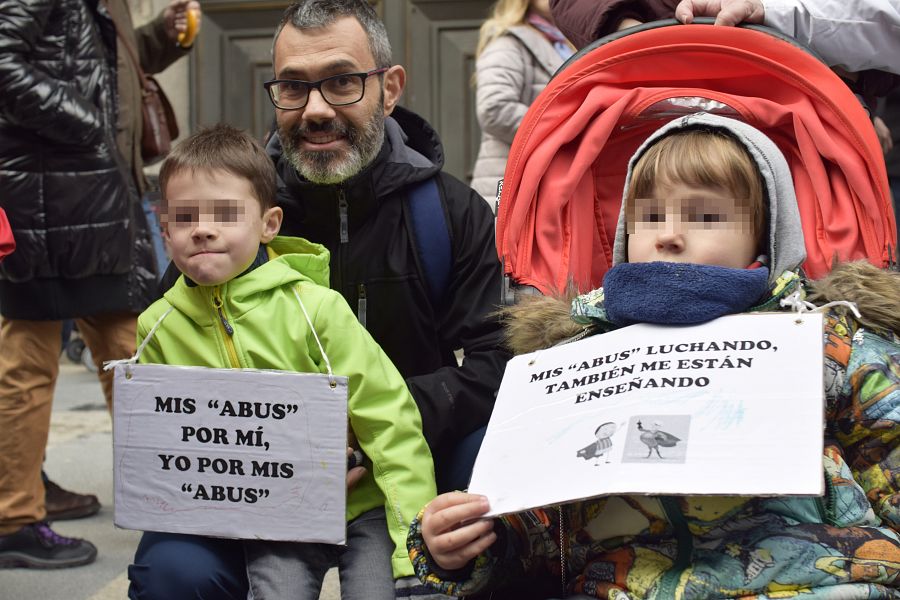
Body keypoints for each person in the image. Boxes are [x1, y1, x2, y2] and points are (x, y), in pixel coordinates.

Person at [408, 112, 900, 599]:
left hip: (819, 581)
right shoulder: (577, 358)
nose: (668, 235)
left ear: (766, 235)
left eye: (706, 218)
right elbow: (546, 523)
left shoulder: (829, 341)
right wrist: (474, 541)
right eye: (650, 217)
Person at [128, 0, 508, 597]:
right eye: (293, 87)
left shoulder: (449, 213)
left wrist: (358, 429)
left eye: (341, 81)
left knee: (496, 495)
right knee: (175, 572)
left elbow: (497, 362)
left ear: (389, 89)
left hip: (407, 459)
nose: (316, 109)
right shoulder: (229, 207)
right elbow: (174, 352)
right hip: (252, 479)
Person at [130, 123, 437, 600]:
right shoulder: (156, 327)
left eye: (226, 214)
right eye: (185, 217)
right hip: (274, 516)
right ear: (165, 230)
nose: (203, 228)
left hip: (365, 504)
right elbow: (160, 443)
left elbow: (390, 420)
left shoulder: (317, 309)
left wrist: (411, 546)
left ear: (268, 225)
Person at [0, 0, 198, 569]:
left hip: (85, 196)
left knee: (126, 350)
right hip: (56, 197)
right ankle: (14, 518)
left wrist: (159, 36)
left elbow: (97, 63)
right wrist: (87, 121)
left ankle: (164, 498)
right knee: (40, 356)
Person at [470, 0, 574, 203]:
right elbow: (494, 109)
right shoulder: (508, 42)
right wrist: (567, 128)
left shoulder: (568, 43)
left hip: (548, 184)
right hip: (513, 186)